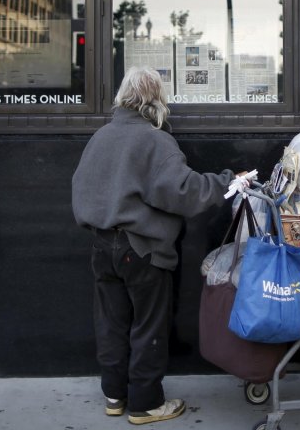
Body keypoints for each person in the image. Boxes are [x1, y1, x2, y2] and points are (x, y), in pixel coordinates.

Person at [72, 66, 239, 425]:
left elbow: (80, 189)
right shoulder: (154, 140)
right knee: (148, 327)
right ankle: (146, 404)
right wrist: (228, 182)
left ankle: (114, 395)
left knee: (112, 324)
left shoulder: (100, 136)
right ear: (155, 99)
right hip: (142, 249)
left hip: (102, 246)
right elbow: (184, 192)